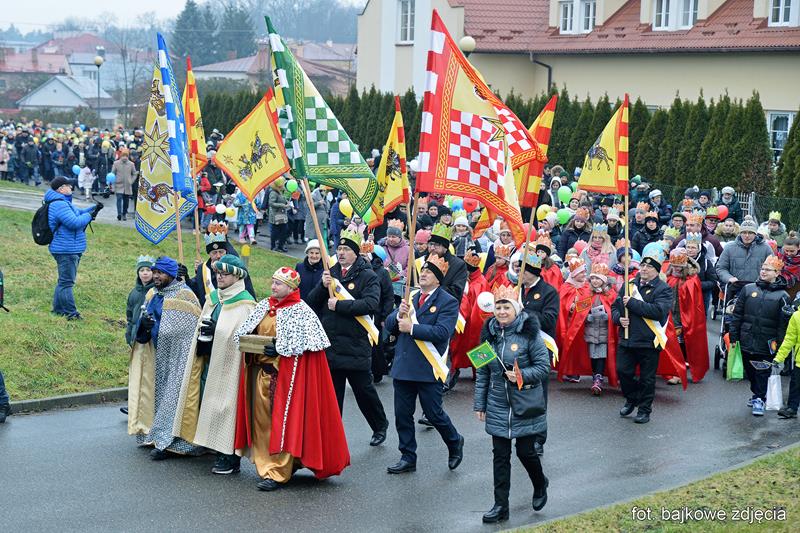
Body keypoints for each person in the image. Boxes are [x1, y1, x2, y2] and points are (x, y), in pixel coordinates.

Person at [233, 266, 349, 490]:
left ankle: (277, 471)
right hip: (260, 374)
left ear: (290, 287)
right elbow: (246, 334)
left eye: (278, 283)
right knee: (262, 423)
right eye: (273, 282)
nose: (273, 286)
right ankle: (269, 465)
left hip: (286, 380)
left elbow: (302, 353)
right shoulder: (264, 306)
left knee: (283, 423)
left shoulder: (301, 312)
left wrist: (279, 351)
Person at [173, 255, 256, 474]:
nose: (220, 277)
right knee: (206, 402)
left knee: (226, 408)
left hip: (229, 367)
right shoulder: (213, 299)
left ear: (237, 277)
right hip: (208, 361)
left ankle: (229, 457)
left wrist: (216, 331)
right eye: (218, 273)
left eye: (225, 274)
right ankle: (210, 445)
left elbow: (241, 340)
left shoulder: (245, 305)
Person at [474, 285, 550, 523]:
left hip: (524, 403)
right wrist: (480, 404)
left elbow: (543, 368)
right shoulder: (488, 334)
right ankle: (500, 506)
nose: (502, 311)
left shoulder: (530, 334)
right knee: (500, 456)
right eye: (498, 307)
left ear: (516, 309)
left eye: (506, 307)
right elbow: (482, 372)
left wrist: (520, 375)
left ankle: (540, 483)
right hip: (497, 404)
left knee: (525, 452)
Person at [308, 228, 389, 446]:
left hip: (355, 343)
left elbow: (371, 304)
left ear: (355, 252)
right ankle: (332, 436)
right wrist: (322, 286)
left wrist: (340, 305)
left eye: (346, 249)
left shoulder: (368, 276)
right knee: (332, 396)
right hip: (331, 342)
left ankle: (379, 425)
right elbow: (312, 301)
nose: (341, 252)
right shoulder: (330, 272)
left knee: (364, 392)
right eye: (339, 248)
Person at [384, 254, 464, 474]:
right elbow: (390, 325)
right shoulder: (410, 296)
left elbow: (442, 332)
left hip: (428, 367)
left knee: (434, 413)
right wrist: (398, 315)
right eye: (423, 271)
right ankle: (407, 456)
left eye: (429, 272)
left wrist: (412, 328)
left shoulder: (448, 301)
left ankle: (454, 441)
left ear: (438, 278)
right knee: (402, 415)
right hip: (404, 365)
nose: (424, 274)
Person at [127, 256, 203, 459]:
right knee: (154, 395)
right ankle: (153, 433)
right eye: (154, 272)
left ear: (170, 274)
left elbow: (187, 329)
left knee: (173, 397)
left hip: (178, 357)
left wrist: (161, 329)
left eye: (160, 273)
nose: (155, 276)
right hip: (155, 354)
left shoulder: (185, 295)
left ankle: (168, 441)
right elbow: (141, 324)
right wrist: (144, 327)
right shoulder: (152, 293)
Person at [613, 247, 672, 424]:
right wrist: (618, 319)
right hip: (627, 338)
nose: (644, 269)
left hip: (648, 341)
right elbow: (615, 306)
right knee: (623, 372)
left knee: (647, 378)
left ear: (657, 270)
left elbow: (658, 311)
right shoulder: (630, 284)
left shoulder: (663, 289)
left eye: (649, 266)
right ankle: (632, 398)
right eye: (643, 265)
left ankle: (644, 410)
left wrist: (632, 303)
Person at [729, 256, 790, 416]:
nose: (763, 272)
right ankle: (756, 392)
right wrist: (734, 335)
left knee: (762, 370)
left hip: (767, 342)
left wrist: (780, 345)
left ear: (777, 273)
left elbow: (783, 325)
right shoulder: (748, 289)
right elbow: (737, 314)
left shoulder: (783, 296)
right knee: (750, 370)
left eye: (768, 270)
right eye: (762, 268)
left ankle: (759, 398)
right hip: (747, 338)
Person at [45, 176, 102, 320]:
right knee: (67, 283)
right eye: (68, 185)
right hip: (66, 249)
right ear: (60, 189)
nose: (71, 187)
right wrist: (89, 215)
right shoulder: (59, 204)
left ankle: (58, 310)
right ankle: (71, 313)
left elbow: (78, 213)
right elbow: (74, 222)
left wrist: (95, 208)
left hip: (68, 247)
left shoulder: (62, 202)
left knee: (63, 281)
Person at [183, 221, 256, 308]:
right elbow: (197, 291)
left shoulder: (235, 268)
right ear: (209, 254)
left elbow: (248, 293)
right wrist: (185, 277)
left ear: (226, 251)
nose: (218, 256)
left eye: (221, 252)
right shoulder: (202, 269)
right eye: (214, 252)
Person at [447, 248, 490, 390]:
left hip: (477, 321)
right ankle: (454, 369)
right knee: (457, 345)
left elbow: (482, 304)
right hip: (465, 320)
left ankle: (481, 373)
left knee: (479, 344)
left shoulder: (481, 282)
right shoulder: (467, 281)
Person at [665, 248, 709, 385]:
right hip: (671, 316)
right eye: (674, 266)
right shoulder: (669, 278)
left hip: (687, 317)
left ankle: (684, 368)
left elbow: (695, 302)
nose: (676, 269)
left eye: (679, 266)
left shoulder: (692, 279)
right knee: (673, 344)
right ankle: (676, 371)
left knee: (684, 343)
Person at [716, 216, 774, 296]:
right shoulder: (729, 247)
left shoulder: (766, 248)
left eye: (750, 233)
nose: (747, 235)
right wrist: (729, 278)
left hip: (759, 289)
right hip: (736, 289)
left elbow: (773, 268)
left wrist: (763, 279)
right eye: (744, 232)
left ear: (755, 234)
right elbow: (721, 268)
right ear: (740, 233)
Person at [556, 257, 590, 383]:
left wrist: (580, 308)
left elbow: (589, 302)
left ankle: (576, 370)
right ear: (575, 274)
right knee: (567, 345)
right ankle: (567, 369)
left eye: (585, 272)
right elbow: (562, 304)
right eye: (581, 272)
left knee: (578, 348)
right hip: (568, 322)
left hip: (582, 323)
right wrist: (571, 307)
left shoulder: (587, 287)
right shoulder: (566, 287)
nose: (584, 274)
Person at [426, 223, 469, 302]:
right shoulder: (424, 261)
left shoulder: (458, 265)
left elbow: (456, 292)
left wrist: (432, 289)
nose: (432, 248)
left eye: (437, 245)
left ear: (445, 247)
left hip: (446, 306)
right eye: (430, 244)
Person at [773, 296, 800, 418]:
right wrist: (779, 358)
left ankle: (792, 408)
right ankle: (792, 408)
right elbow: (789, 339)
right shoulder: (796, 316)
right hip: (799, 361)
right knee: (795, 385)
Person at [125, 255, 156, 347]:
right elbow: (130, 316)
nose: (145, 273)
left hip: (150, 338)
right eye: (142, 270)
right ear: (138, 273)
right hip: (135, 336)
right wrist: (129, 333)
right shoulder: (134, 293)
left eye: (148, 270)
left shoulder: (156, 292)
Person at [685, 233, 718, 314]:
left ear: (698, 249)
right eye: (688, 247)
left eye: (693, 247)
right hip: (683, 296)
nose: (690, 250)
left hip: (701, 297)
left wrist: (697, 284)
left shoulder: (706, 263)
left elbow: (713, 282)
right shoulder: (680, 261)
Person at [111, 149, 136, 221]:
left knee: (126, 201)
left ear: (128, 156)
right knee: (119, 199)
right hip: (118, 185)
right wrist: (112, 184)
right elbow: (112, 174)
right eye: (123, 156)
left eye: (126, 156)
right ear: (121, 156)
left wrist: (131, 181)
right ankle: (119, 214)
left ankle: (124, 214)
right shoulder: (116, 163)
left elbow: (134, 173)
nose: (124, 157)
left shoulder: (131, 164)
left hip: (127, 186)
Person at [268, 177, 290, 252]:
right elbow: (271, 203)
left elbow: (282, 200)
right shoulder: (273, 192)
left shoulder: (281, 191)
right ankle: (273, 246)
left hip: (282, 214)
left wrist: (286, 202)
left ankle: (281, 246)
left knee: (284, 230)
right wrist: (283, 205)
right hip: (275, 215)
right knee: (275, 231)